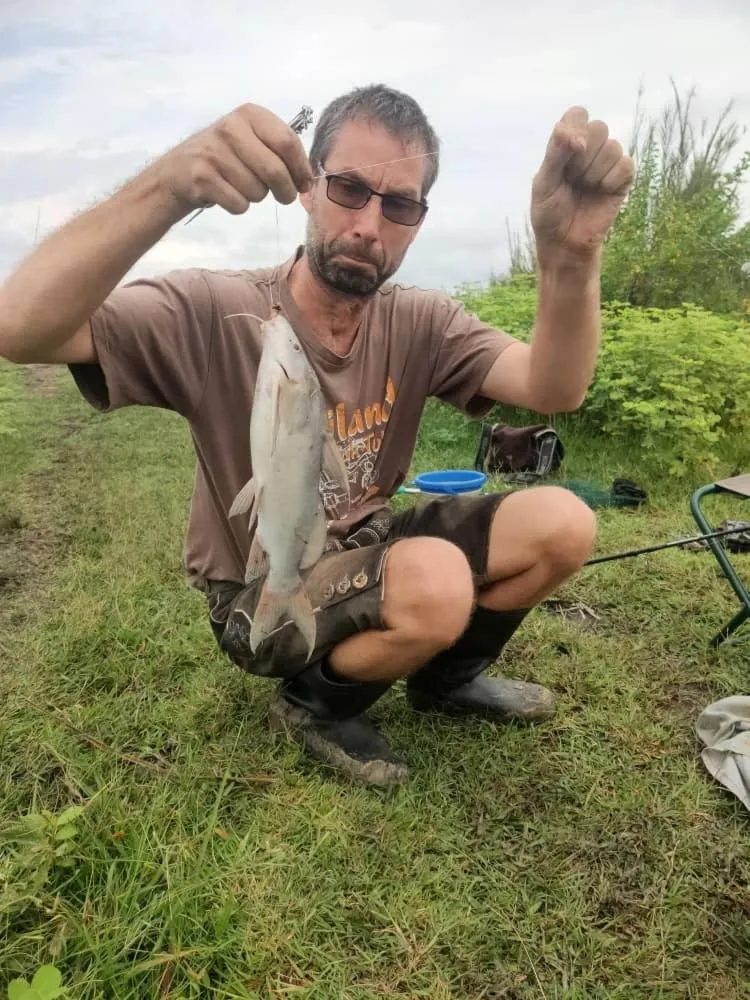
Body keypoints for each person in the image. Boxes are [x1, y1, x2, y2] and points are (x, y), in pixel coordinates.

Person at [0, 84, 634, 787]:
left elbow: (554, 387)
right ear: (306, 185)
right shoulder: (217, 310)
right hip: (260, 585)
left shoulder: (421, 319)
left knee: (563, 521)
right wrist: (172, 182)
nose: (369, 223)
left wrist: (571, 254)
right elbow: (20, 328)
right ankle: (313, 706)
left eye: (398, 204)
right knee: (438, 582)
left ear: (419, 219)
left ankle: (444, 680)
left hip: (370, 544)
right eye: (349, 188)